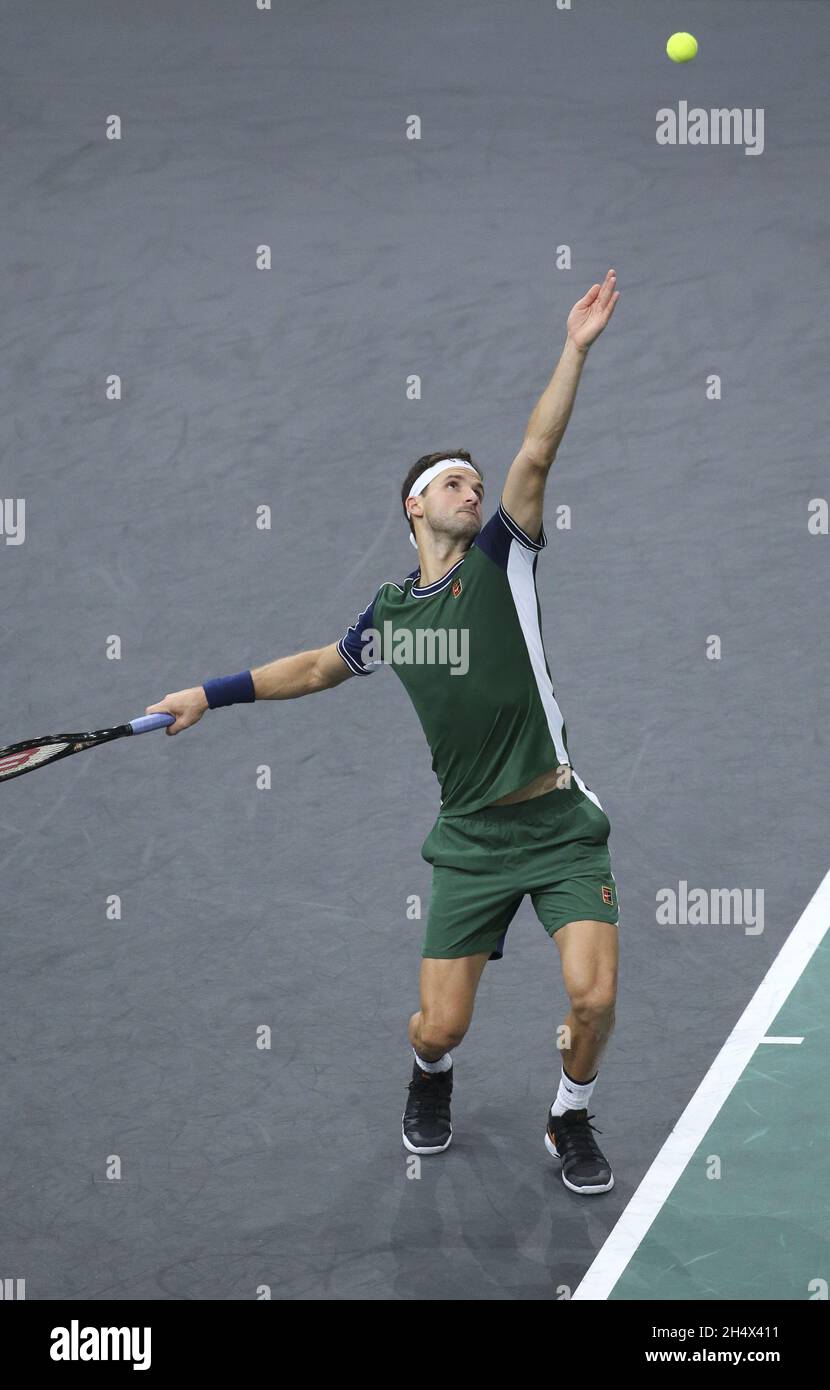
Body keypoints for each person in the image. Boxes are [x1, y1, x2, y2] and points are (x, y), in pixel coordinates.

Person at [146, 270, 622, 1195]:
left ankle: (570, 1114)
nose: (473, 488)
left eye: (476, 483)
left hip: (560, 825)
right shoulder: (393, 614)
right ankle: (431, 1076)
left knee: (593, 997)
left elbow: (536, 450)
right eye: (454, 481)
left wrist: (574, 348)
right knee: (438, 1025)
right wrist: (211, 692)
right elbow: (321, 666)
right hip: (472, 843)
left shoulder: (502, 560)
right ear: (414, 505)